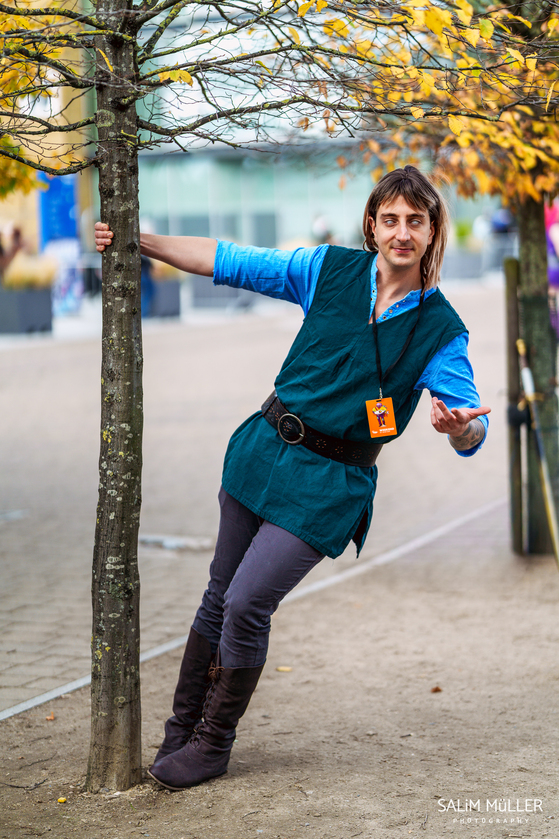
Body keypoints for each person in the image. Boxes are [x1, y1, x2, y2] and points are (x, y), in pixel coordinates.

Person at [94, 165, 490, 792]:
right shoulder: (327, 270)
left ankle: (211, 744)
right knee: (218, 596)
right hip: (261, 452)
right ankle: (179, 730)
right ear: (372, 224)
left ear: (433, 229)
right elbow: (231, 260)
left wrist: (460, 429)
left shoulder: (442, 330)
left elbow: (470, 424)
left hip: (329, 485)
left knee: (248, 602)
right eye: (390, 219)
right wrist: (140, 239)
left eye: (416, 221)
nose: (402, 233)